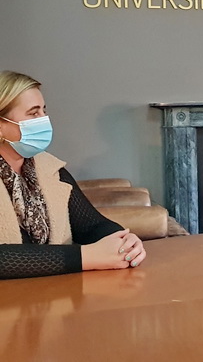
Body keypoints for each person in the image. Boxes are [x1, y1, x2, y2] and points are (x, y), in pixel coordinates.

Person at [0, 71, 146, 279]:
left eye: (44, 110)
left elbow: (91, 224)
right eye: (33, 113)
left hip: (55, 292)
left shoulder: (48, 168)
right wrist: (86, 257)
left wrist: (124, 241)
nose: (44, 120)